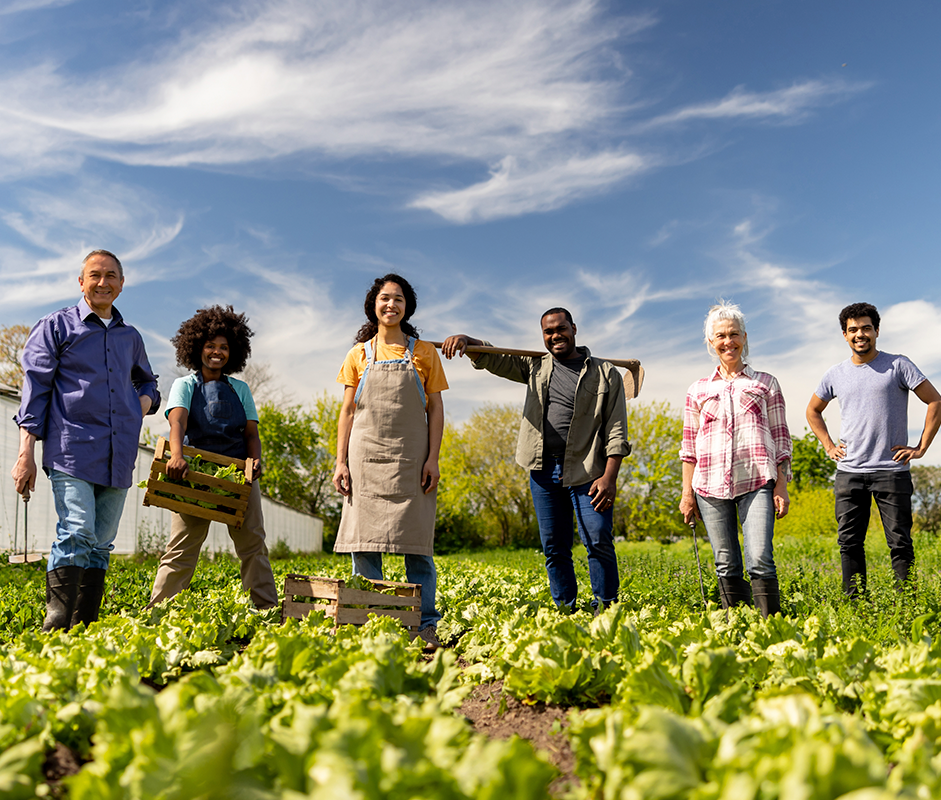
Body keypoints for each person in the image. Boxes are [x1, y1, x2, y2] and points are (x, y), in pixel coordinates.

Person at [442, 308, 630, 612]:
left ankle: (607, 608)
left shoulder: (605, 372)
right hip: (542, 469)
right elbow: (495, 358)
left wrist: (610, 477)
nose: (555, 336)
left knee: (597, 538)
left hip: (588, 470)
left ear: (574, 329)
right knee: (555, 547)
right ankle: (565, 609)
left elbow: (616, 428)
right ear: (543, 335)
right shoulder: (536, 367)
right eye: (548, 332)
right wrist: (467, 340)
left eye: (561, 329)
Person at [11, 250, 160, 631]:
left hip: (118, 452)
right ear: (81, 282)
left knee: (101, 543)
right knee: (77, 530)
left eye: (111, 275)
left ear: (122, 284)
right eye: (94, 275)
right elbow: (35, 392)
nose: (103, 282)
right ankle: (56, 628)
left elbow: (149, 382)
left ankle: (84, 627)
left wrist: (138, 406)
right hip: (71, 448)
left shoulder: (131, 337)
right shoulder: (57, 327)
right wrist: (25, 453)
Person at [333, 274, 447, 649]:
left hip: (411, 460)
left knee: (417, 544)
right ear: (374, 305)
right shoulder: (358, 354)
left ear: (406, 307)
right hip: (364, 459)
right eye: (385, 298)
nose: (391, 305)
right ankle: (371, 621)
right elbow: (348, 410)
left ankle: (424, 623)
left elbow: (436, 409)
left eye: (398, 299)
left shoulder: (424, 352)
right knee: (364, 544)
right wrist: (340, 462)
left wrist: (433, 459)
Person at [806, 302, 941, 597]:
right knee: (850, 543)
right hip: (849, 473)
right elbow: (813, 411)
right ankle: (856, 606)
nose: (860, 334)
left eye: (866, 328)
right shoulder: (835, 374)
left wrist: (920, 447)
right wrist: (828, 445)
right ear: (845, 335)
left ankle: (908, 606)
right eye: (853, 329)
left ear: (877, 331)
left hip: (891, 470)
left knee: (900, 542)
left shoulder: (899, 365)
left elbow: (935, 401)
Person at [148, 306, 278, 610]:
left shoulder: (241, 389)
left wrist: (255, 461)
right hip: (194, 473)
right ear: (197, 348)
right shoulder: (185, 385)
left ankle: (266, 608)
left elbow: (251, 435)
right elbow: (177, 423)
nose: (216, 352)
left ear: (233, 352)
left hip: (236, 476)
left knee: (253, 545)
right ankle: (158, 612)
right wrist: (177, 457)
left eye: (223, 347)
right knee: (181, 547)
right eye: (210, 346)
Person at [679, 302, 792, 617]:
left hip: (756, 481)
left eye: (733, 334)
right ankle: (738, 625)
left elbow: (781, 438)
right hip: (708, 486)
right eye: (720, 336)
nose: (728, 341)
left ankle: (770, 626)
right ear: (710, 343)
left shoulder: (765, 383)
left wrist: (782, 485)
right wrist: (687, 494)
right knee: (725, 560)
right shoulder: (698, 390)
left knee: (760, 557)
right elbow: (689, 447)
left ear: (744, 337)